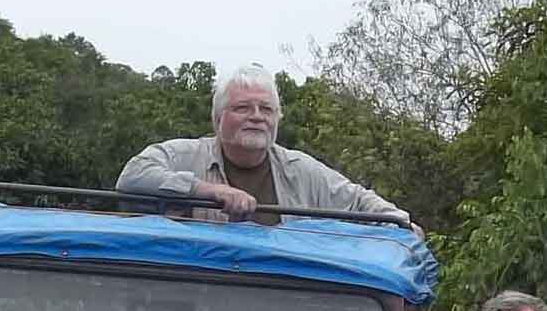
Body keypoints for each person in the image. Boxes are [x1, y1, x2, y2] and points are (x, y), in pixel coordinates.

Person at [117, 63, 411, 229]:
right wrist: (210, 191)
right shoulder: (184, 155)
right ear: (218, 118)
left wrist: (403, 226)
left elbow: (360, 202)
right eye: (244, 108)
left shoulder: (301, 170)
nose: (257, 117)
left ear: (277, 119)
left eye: (266, 109)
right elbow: (132, 177)